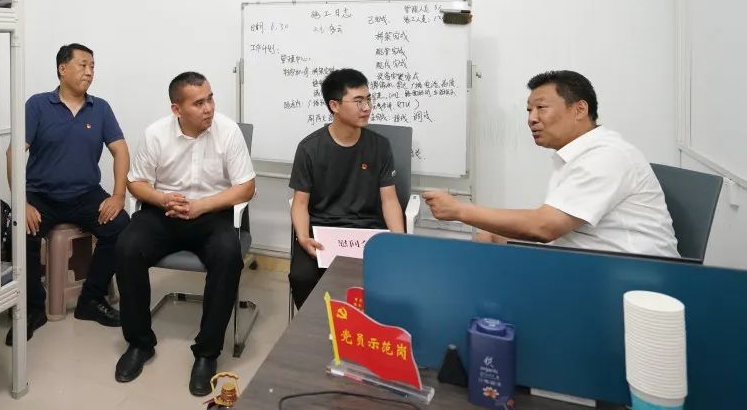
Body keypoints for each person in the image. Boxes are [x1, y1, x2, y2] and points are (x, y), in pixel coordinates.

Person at [423, 70, 679, 257]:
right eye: (529, 110)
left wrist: (460, 211)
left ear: (579, 109)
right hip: (585, 261)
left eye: (541, 108)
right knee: (487, 236)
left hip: (632, 278)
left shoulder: (607, 156)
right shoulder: (577, 154)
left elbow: (544, 227)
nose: (531, 119)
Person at [114, 72, 256, 396]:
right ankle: (139, 343)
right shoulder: (155, 134)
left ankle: (207, 353)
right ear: (177, 109)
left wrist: (201, 206)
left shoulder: (227, 131)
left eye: (210, 99)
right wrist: (163, 198)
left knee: (228, 255)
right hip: (164, 211)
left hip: (211, 212)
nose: (209, 108)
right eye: (199, 103)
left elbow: (246, 187)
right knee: (126, 247)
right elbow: (135, 182)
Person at [5, 43, 129, 345]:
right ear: (62, 68)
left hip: (85, 194)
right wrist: (21, 202)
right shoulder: (38, 105)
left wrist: (117, 196)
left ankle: (91, 300)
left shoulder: (100, 108)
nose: (89, 72)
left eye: (92, 66)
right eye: (83, 65)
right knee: (21, 232)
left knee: (121, 227)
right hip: (41, 194)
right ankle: (33, 308)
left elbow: (121, 151)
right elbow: (14, 152)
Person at [288, 68, 405, 310]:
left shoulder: (380, 146)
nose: (367, 107)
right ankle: (319, 325)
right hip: (322, 229)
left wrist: (399, 240)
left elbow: (389, 200)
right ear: (334, 106)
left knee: (389, 278)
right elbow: (299, 203)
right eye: (358, 101)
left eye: (369, 99)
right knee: (301, 277)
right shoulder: (309, 148)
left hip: (367, 229)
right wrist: (303, 237)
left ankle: (362, 326)